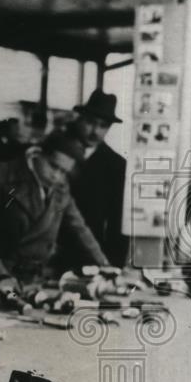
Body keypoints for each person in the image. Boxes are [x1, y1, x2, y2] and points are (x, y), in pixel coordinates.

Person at [0, 131, 109, 295]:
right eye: (54, 166)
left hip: (36, 280)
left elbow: (80, 228)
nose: (57, 176)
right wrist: (0, 275)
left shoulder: (61, 188)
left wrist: (106, 266)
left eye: (64, 172)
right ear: (37, 154)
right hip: (0, 279)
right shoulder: (0, 176)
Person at [60, 89, 129, 269]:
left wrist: (114, 267)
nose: (95, 131)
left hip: (90, 258)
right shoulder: (56, 154)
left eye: (103, 125)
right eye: (90, 122)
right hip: (49, 251)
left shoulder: (117, 165)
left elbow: (117, 223)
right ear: (80, 119)